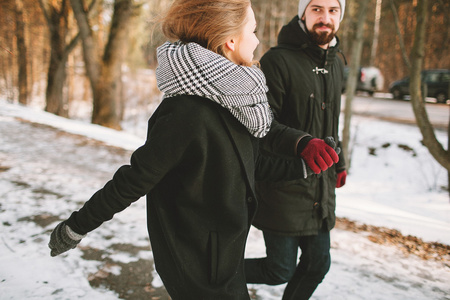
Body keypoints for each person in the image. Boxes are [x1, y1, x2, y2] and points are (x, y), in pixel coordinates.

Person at [48, 1, 307, 299]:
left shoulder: (238, 102)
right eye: (254, 30)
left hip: (225, 254)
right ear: (231, 40)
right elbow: (135, 179)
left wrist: (302, 167)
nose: (259, 40)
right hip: (196, 262)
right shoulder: (186, 113)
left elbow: (245, 166)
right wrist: (75, 227)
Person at [244, 0, 347, 299]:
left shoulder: (338, 61)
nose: (325, 17)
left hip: (321, 186)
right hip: (284, 185)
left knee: (318, 264)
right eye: (316, 9)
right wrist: (301, 142)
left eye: (333, 10)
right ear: (303, 13)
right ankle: (209, 273)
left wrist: (339, 164)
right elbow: (260, 123)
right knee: (279, 269)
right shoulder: (277, 61)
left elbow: (332, 122)